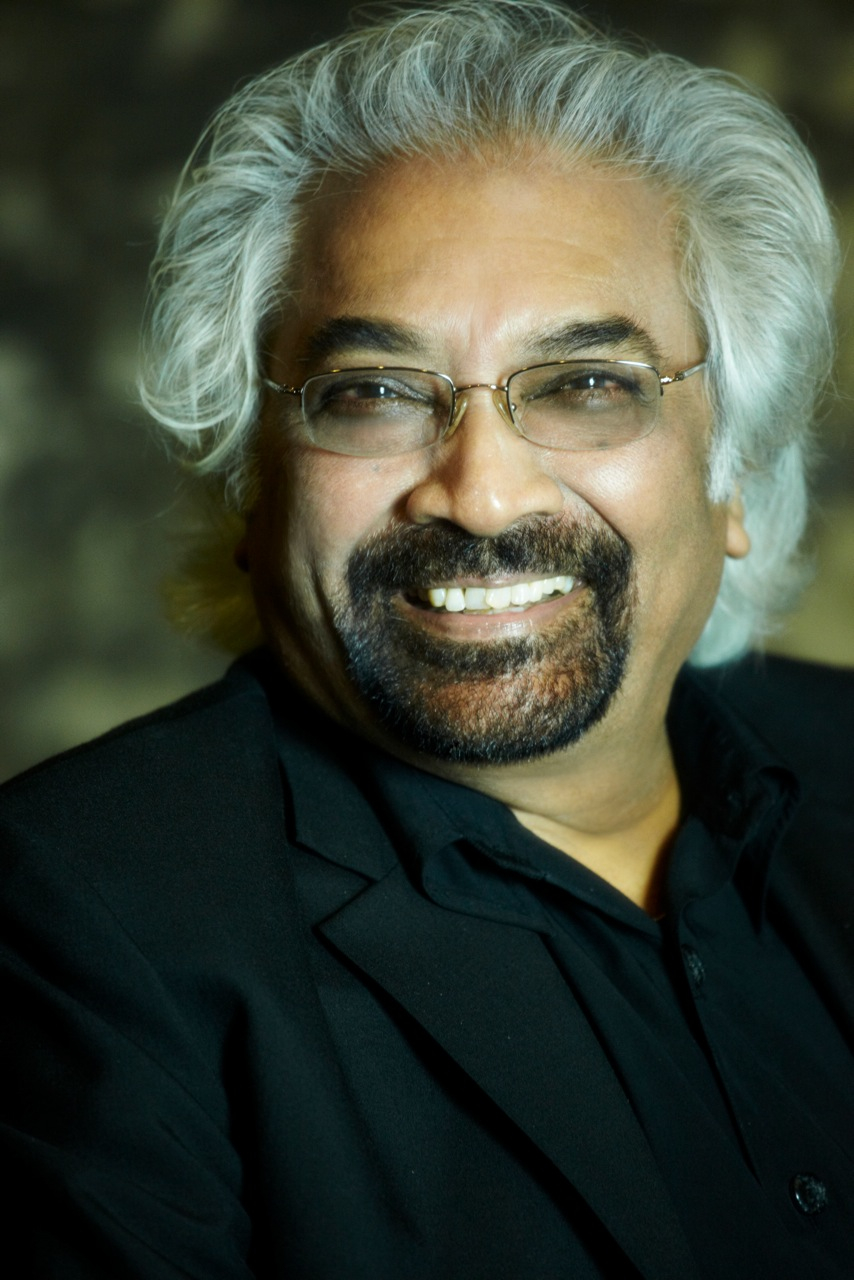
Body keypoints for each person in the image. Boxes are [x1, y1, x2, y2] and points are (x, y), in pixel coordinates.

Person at [1, 2, 852, 1276]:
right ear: (252, 483)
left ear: (729, 470)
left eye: (585, 385)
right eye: (374, 394)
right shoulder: (74, 918)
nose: (482, 493)